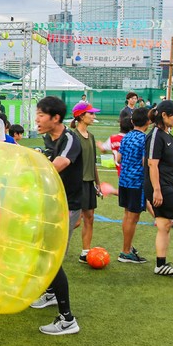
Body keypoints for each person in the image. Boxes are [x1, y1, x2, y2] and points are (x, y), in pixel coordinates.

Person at [30, 96, 82, 335]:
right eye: (37, 114)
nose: (37, 119)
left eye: (41, 115)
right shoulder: (47, 138)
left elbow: (58, 165)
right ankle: (51, 293)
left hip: (66, 208)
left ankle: (67, 319)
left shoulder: (70, 139)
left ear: (56, 118)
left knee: (51, 259)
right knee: (41, 252)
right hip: (51, 205)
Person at [145, 100, 173, 275]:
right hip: (160, 188)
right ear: (164, 115)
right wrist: (157, 191)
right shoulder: (155, 136)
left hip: (165, 186)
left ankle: (160, 265)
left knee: (164, 224)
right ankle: (160, 265)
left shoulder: (169, 136)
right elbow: (152, 165)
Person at [117, 107, 150, 263]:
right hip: (136, 182)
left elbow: (119, 158)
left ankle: (127, 248)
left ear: (132, 121)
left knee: (127, 215)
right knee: (133, 217)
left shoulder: (127, 136)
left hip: (124, 180)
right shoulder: (145, 139)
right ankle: (125, 251)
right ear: (148, 122)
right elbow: (145, 162)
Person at [70, 102, 102, 264]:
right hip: (76, 184)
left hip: (89, 183)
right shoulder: (72, 137)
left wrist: (97, 183)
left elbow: (93, 163)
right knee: (74, 221)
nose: (94, 116)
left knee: (89, 218)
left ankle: (85, 252)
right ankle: (52, 241)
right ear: (81, 116)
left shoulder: (91, 136)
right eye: (91, 113)